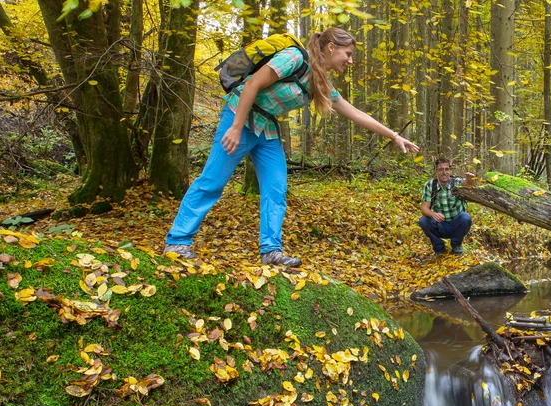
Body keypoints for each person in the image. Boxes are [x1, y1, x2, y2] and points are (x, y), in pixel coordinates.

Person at [163, 28, 418, 266]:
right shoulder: (294, 58)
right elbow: (252, 85)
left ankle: (270, 250)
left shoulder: (320, 82)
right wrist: (236, 127)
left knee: (276, 189)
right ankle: (177, 242)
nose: (350, 61)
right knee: (212, 181)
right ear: (331, 48)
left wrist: (394, 135)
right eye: (348, 54)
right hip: (239, 117)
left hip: (267, 130)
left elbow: (354, 113)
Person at [418, 158, 472, 257]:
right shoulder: (430, 185)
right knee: (423, 221)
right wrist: (433, 214)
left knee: (465, 217)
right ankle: (439, 249)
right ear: (436, 171)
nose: (444, 172)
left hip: (456, 224)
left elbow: (467, 185)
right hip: (440, 225)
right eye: (440, 169)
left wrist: (469, 179)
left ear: (450, 171)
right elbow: (424, 208)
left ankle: (456, 246)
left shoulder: (456, 182)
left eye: (447, 169)